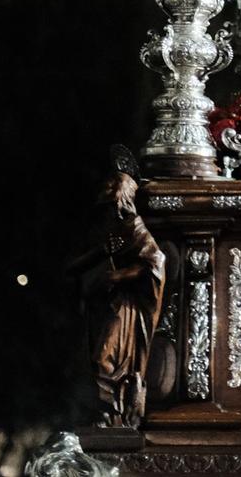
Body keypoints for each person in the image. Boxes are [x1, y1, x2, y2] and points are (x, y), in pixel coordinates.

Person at [70, 169, 166, 427]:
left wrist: (120, 276)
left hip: (125, 307)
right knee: (97, 360)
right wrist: (102, 256)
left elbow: (155, 261)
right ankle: (108, 414)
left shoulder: (133, 225)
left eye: (113, 187)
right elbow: (73, 266)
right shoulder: (104, 228)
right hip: (103, 302)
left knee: (106, 359)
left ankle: (116, 412)